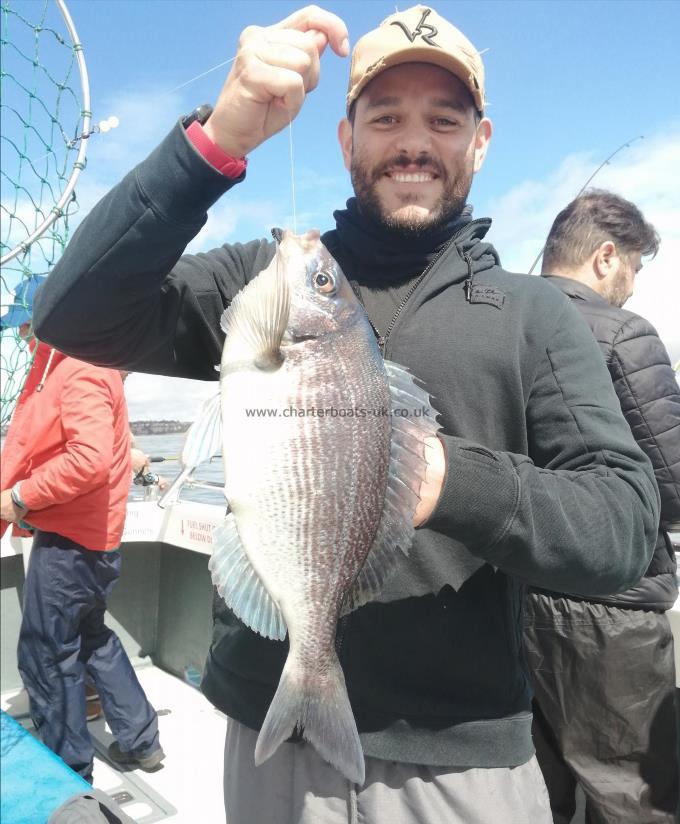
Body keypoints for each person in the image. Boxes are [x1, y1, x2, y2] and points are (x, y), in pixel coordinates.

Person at [31, 5, 661, 821]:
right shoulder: (266, 283)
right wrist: (217, 141)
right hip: (270, 737)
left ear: (481, 141)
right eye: (386, 117)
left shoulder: (534, 315)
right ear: (344, 138)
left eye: (443, 119)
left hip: (461, 757)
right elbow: (72, 313)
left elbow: (622, 526)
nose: (413, 141)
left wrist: (442, 477)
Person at [523, 190, 680, 823]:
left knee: (543, 795)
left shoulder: (505, 319)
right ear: (606, 256)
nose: (635, 287)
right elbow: (673, 485)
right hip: (612, 613)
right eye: (635, 267)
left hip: (515, 601)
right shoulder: (624, 334)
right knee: (635, 797)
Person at [0, 286, 164, 783]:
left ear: (54, 322)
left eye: (28, 325)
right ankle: (142, 741)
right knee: (93, 640)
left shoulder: (77, 370)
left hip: (69, 548)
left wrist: (20, 498)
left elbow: (88, 461)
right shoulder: (95, 365)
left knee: (48, 656)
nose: (23, 335)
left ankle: (68, 776)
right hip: (96, 546)